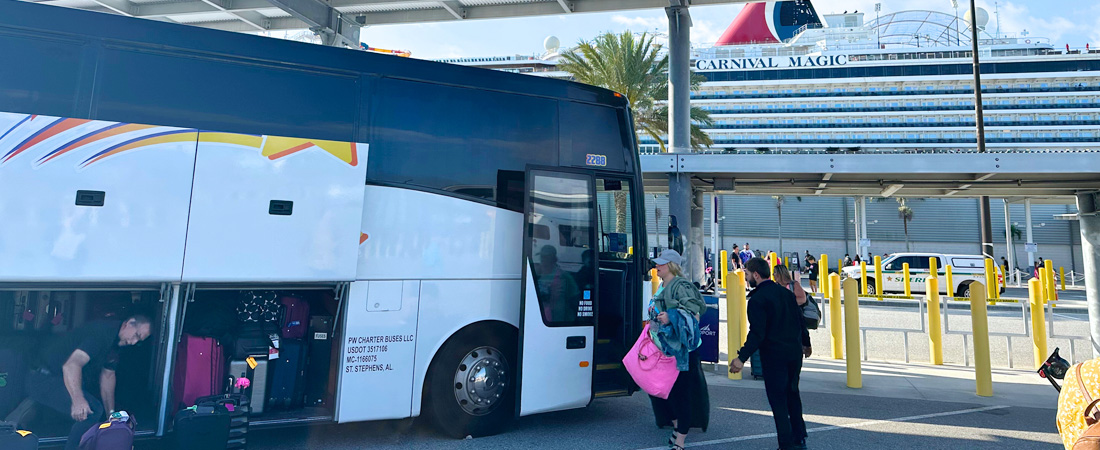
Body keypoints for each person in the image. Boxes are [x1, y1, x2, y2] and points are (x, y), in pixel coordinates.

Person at [27, 315, 153, 450]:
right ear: (129, 323)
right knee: (90, 411)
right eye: (136, 335)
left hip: (58, 378)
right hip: (42, 378)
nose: (134, 342)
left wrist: (110, 416)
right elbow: (71, 365)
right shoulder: (102, 333)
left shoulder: (118, 342)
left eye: (139, 340)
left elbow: (108, 376)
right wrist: (78, 400)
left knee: (92, 411)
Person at [730, 258, 811, 450]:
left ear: (756, 275)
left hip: (774, 356)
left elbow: (758, 332)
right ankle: (799, 438)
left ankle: (786, 444)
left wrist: (741, 358)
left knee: (778, 401)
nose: (747, 278)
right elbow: (800, 320)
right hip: (793, 353)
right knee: (792, 394)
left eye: (748, 274)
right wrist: (806, 343)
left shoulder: (758, 299)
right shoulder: (786, 293)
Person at [647, 249, 709, 450]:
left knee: (680, 392)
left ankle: (680, 438)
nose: (657, 267)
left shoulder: (681, 286)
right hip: (664, 348)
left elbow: (695, 315)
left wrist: (671, 316)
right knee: (667, 391)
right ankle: (676, 427)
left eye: (661, 264)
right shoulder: (663, 286)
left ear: (671, 265)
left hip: (681, 350)